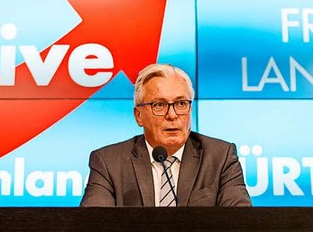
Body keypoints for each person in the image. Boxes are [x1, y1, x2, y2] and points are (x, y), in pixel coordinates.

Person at [80, 63, 251, 206]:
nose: (172, 115)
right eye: (159, 105)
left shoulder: (220, 157)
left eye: (181, 103)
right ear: (138, 116)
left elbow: (240, 223)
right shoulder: (108, 162)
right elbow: (94, 224)